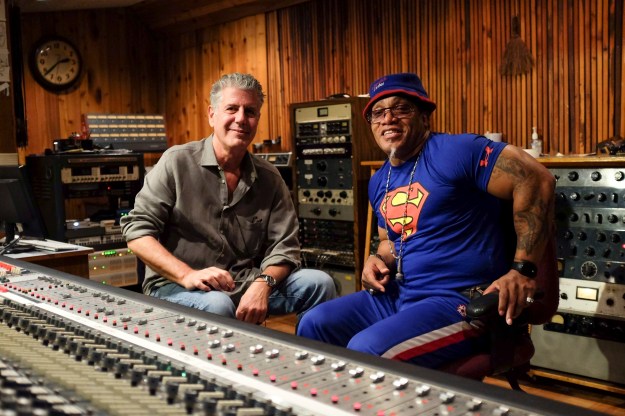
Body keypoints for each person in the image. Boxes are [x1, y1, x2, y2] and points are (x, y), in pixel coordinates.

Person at [297, 72, 555, 369]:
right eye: (378, 113)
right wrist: (374, 260)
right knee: (312, 325)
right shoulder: (380, 180)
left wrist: (523, 269)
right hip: (400, 294)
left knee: (366, 350)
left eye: (401, 109)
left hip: (460, 302)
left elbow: (536, 179)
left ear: (425, 117)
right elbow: (388, 241)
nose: (388, 119)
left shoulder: (457, 151)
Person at [121, 72, 336, 325]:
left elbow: (284, 248)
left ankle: (311, 361)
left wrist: (262, 285)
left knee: (320, 283)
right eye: (232, 109)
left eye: (250, 111)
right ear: (212, 115)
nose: (241, 119)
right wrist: (187, 274)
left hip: (243, 281)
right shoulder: (176, 162)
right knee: (218, 304)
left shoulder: (270, 178)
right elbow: (137, 233)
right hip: (176, 285)